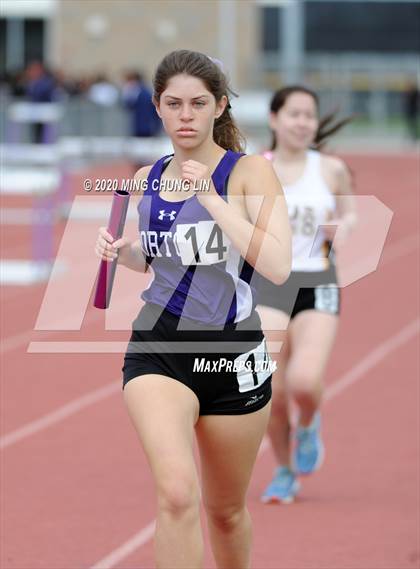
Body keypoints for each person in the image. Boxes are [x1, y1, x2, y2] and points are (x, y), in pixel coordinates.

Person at [95, 50, 291, 568]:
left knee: (224, 510)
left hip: (232, 356)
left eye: (198, 103)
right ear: (157, 108)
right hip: (159, 350)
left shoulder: (249, 173)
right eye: (174, 103)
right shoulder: (148, 177)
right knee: (178, 494)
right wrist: (124, 252)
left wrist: (212, 198)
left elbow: (277, 266)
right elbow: (160, 258)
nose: (186, 115)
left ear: (219, 106)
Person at [256, 86, 357, 504]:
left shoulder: (330, 169)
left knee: (303, 380)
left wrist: (345, 227)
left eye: (309, 116)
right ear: (274, 119)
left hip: (317, 280)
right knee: (268, 391)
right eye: (294, 114)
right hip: (268, 282)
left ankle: (310, 421)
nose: (303, 123)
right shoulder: (254, 168)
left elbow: (349, 210)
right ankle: (283, 470)